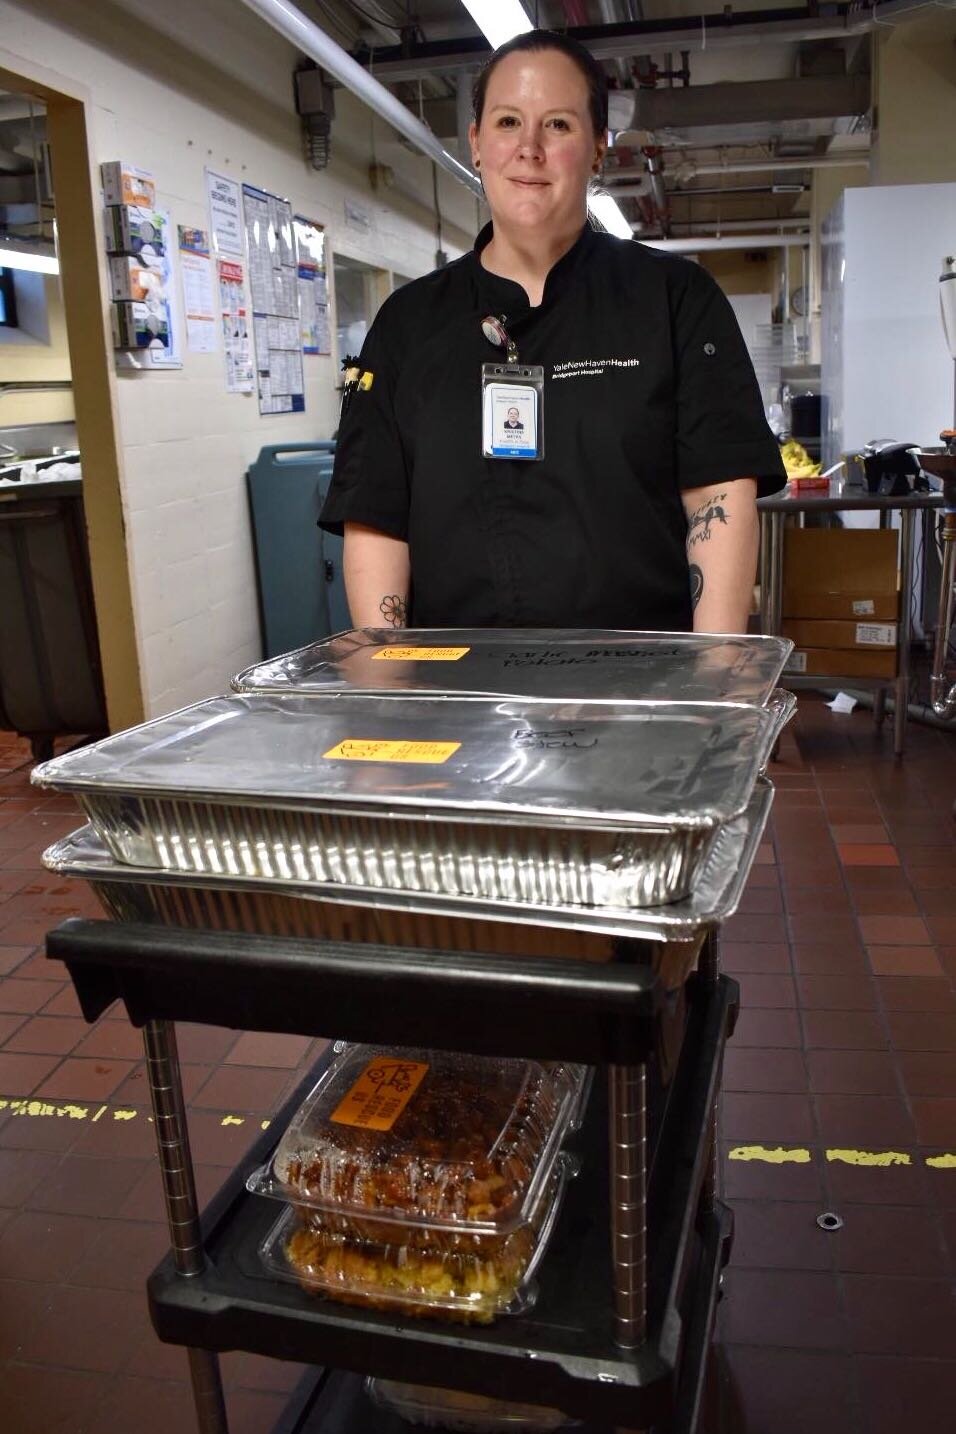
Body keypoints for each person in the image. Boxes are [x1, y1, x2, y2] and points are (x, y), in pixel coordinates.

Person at [320, 28, 786, 635]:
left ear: (598, 148)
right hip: (458, 693)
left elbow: (718, 495)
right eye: (509, 122)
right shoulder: (407, 325)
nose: (530, 149)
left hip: (641, 683)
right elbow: (377, 519)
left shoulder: (674, 299)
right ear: (477, 144)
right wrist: (388, 679)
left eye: (559, 125)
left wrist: (713, 679)